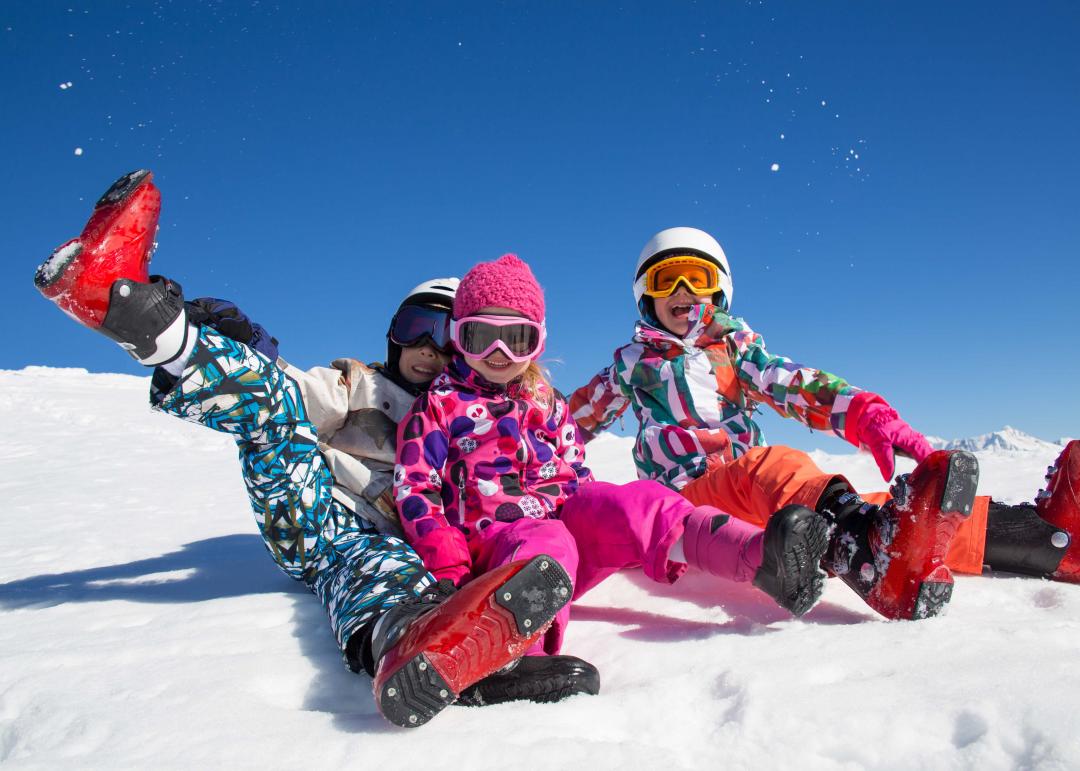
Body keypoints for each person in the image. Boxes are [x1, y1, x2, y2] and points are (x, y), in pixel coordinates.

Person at [32, 170, 576, 728]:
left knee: (388, 568)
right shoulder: (360, 386)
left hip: (391, 546)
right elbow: (290, 392)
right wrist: (247, 343)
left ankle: (429, 650)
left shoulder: (468, 417)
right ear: (393, 333)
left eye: (443, 334)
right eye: (414, 327)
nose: (426, 349)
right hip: (319, 514)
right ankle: (134, 312)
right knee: (273, 411)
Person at [569, 227, 1078, 620]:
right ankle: (869, 563)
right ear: (645, 297)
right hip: (683, 507)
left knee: (891, 513)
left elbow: (795, 384)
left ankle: (1041, 540)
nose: (683, 290)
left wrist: (865, 414)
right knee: (773, 468)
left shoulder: (738, 354)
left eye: (697, 279)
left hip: (752, 505)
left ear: (719, 293)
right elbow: (565, 423)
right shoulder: (631, 367)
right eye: (666, 280)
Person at [393, 253, 832, 681]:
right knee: (548, 540)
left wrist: (606, 511)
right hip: (495, 551)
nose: (499, 352)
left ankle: (761, 561)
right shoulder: (437, 406)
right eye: (480, 337)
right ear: (458, 338)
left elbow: (576, 474)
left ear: (538, 342)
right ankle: (503, 656)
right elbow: (416, 491)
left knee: (642, 502)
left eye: (518, 338)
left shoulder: (547, 402)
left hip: (565, 530)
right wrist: (449, 567)